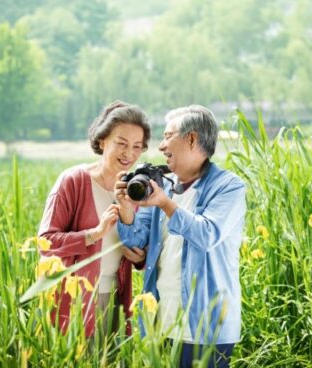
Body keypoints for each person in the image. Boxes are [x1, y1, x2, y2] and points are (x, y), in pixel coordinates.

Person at [115, 105, 246, 367]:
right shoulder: (162, 187)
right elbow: (135, 241)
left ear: (192, 139)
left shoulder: (228, 187)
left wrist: (165, 204)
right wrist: (127, 208)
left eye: (167, 136)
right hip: (162, 322)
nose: (161, 146)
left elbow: (207, 234)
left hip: (206, 328)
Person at [38, 100, 149, 338]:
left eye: (137, 146)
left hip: (118, 299)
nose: (129, 153)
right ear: (102, 141)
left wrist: (140, 256)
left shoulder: (136, 189)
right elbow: (45, 243)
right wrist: (93, 234)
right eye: (121, 143)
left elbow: (140, 251)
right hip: (75, 300)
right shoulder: (73, 181)